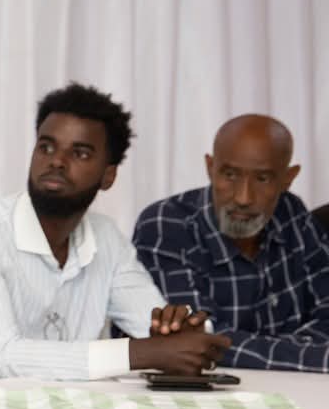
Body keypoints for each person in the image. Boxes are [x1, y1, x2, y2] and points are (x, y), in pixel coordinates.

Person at [0, 82, 228, 381]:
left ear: (108, 176)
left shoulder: (107, 239)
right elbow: (2, 357)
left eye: (80, 153)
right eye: (46, 147)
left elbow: (154, 326)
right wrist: (141, 353)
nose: (57, 161)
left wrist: (182, 335)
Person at [133, 115, 329, 372]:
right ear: (210, 167)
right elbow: (197, 340)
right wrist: (315, 356)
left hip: (300, 386)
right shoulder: (166, 224)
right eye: (230, 174)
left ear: (288, 178)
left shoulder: (292, 214)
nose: (243, 198)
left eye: (263, 179)